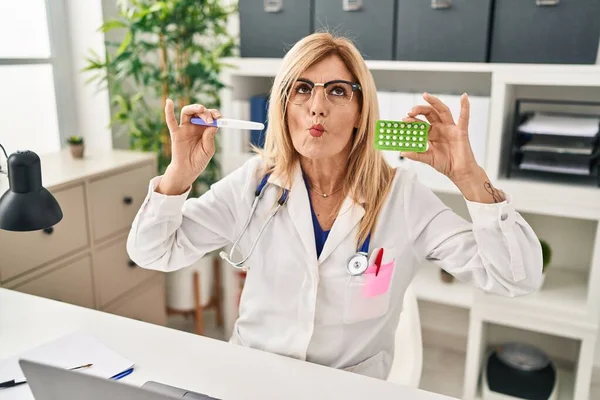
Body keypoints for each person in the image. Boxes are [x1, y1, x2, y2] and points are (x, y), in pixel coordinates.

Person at [127, 32, 543, 380]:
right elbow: (152, 251)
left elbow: (516, 278)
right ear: (283, 104)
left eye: (338, 91)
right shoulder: (254, 184)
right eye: (302, 89)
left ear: (362, 112)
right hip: (253, 378)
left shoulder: (404, 197)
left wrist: (469, 177)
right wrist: (178, 176)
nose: (317, 106)